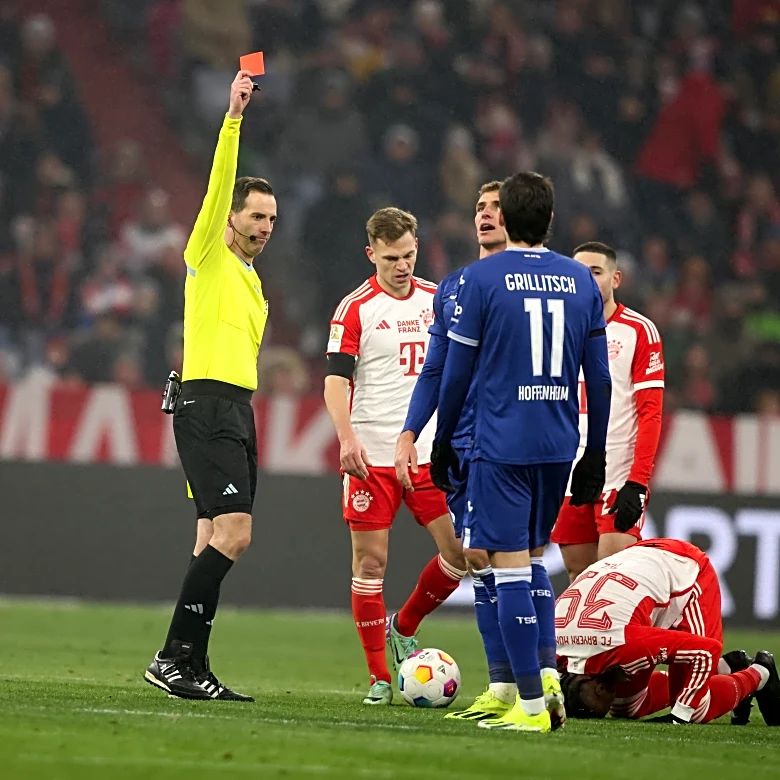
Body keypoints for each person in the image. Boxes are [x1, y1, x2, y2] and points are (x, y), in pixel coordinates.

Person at [432, 172, 613, 733]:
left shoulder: (482, 280)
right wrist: (596, 453)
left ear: (504, 219)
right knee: (534, 562)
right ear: (551, 221)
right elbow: (600, 379)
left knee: (506, 567)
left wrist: (441, 443)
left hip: (501, 443)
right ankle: (545, 681)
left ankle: (531, 708)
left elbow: (456, 372)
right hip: (559, 443)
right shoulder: (581, 282)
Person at [144, 71, 277, 701]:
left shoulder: (252, 282)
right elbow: (218, 182)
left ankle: (190, 664)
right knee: (236, 534)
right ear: (230, 216)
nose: (264, 225)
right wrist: (233, 118)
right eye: (255, 214)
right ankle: (172, 656)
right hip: (207, 406)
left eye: (271, 218)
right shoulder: (209, 253)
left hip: (237, 410)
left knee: (211, 538)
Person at [324, 207, 468, 706]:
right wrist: (346, 439)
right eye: (391, 258)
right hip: (372, 455)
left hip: (430, 454)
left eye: (408, 254)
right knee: (370, 563)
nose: (403, 265)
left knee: (461, 555)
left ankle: (404, 625)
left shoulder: (439, 300)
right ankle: (379, 677)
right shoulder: (355, 308)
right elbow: (336, 381)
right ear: (372, 255)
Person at [396, 180, 519, 721]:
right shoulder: (454, 288)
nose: (485, 216)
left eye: (496, 208)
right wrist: (410, 431)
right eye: (479, 208)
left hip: (514, 440)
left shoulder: (541, 284)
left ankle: (534, 684)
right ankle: (506, 687)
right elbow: (436, 368)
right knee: (478, 558)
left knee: (519, 560)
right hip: (465, 441)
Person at [557, 538, 780, 727]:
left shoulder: (625, 645)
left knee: (694, 709)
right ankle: (728, 667)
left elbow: (706, 650)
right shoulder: (551, 647)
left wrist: (679, 718)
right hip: (634, 561)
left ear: (600, 687)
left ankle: (760, 672)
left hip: (687, 573)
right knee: (627, 708)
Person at [551, 242, 665, 582]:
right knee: (578, 577)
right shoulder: (554, 329)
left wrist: (638, 482)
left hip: (617, 476)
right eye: (578, 272)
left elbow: (651, 414)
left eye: (595, 272)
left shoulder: (638, 331)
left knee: (611, 580)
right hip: (568, 475)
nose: (585, 279)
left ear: (616, 279)